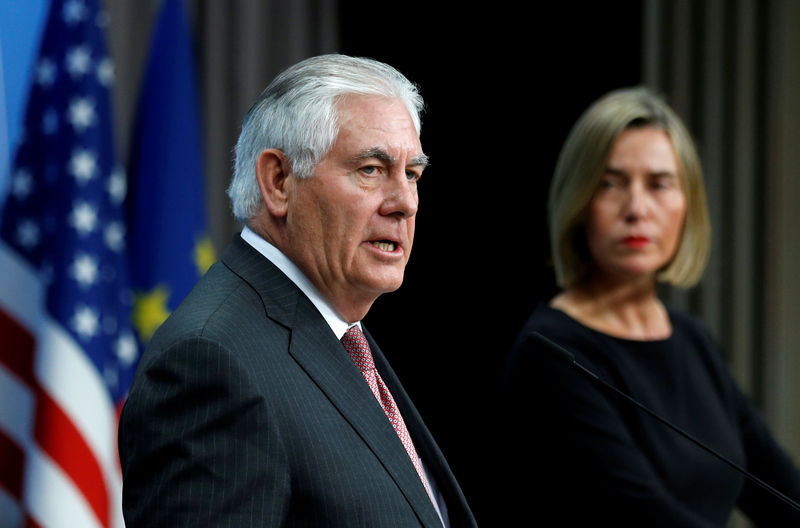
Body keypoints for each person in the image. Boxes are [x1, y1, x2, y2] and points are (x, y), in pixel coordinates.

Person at [119, 54, 477, 527]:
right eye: (371, 169)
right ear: (279, 181)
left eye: (412, 174)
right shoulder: (210, 362)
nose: (405, 203)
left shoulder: (339, 333)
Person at [502, 87, 800, 526]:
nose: (637, 209)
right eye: (610, 184)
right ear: (579, 202)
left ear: (688, 205)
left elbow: (781, 492)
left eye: (659, 184)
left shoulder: (692, 339)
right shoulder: (550, 352)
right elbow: (646, 516)